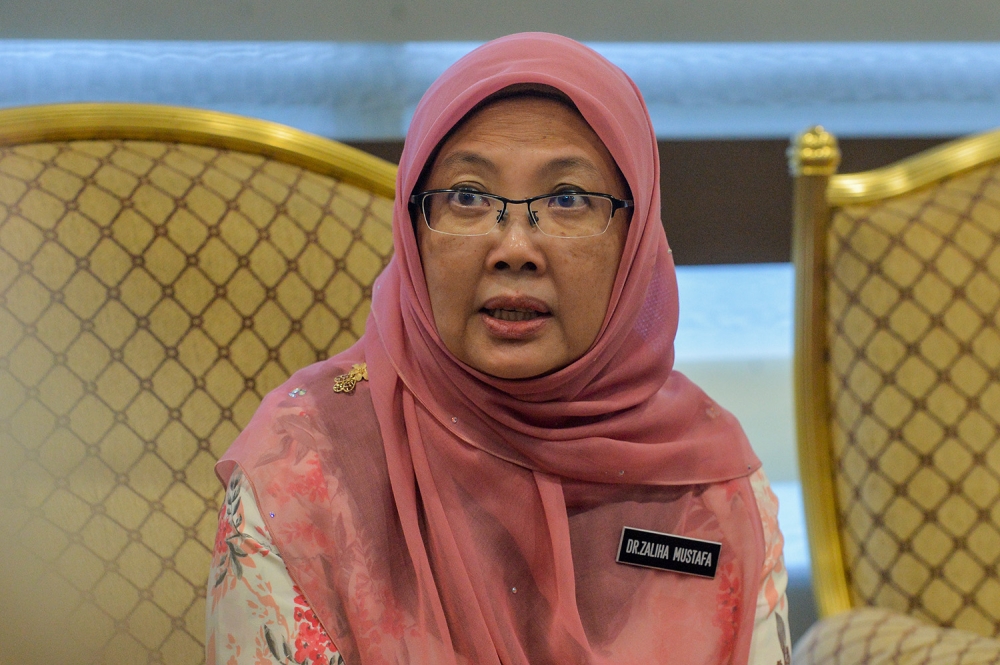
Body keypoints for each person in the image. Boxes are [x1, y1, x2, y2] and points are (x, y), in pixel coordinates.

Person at [207, 32, 790, 665]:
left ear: (637, 234)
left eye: (567, 199)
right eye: (468, 197)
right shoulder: (307, 465)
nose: (514, 248)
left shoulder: (707, 488)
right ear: (413, 229)